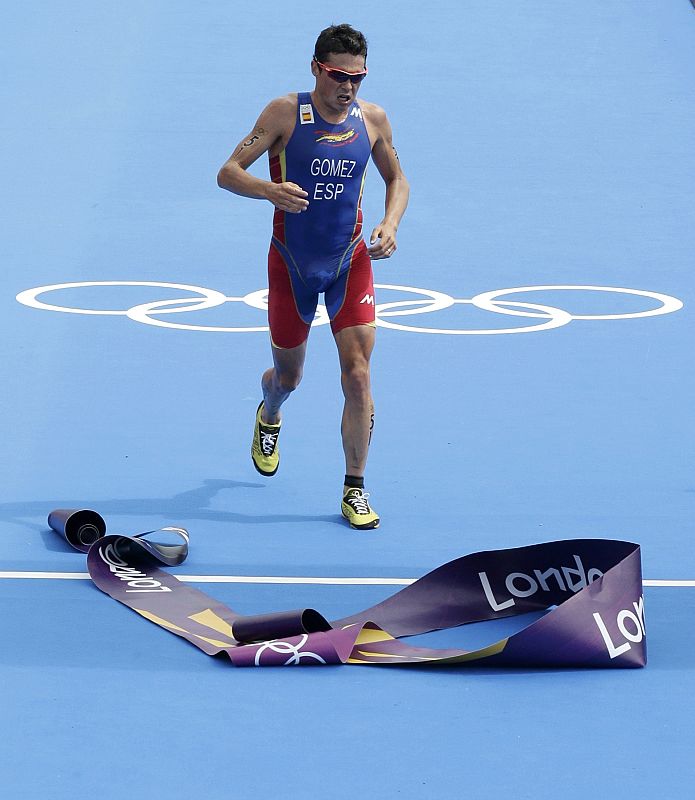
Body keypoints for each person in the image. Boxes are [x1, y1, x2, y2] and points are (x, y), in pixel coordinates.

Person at [217, 23, 409, 530]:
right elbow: (228, 171)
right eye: (338, 75)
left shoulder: (373, 120)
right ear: (315, 69)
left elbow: (397, 179)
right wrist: (269, 190)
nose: (348, 86)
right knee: (288, 378)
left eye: (358, 77)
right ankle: (269, 413)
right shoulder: (284, 113)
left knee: (358, 374)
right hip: (292, 266)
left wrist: (390, 223)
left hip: (349, 261)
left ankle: (355, 489)